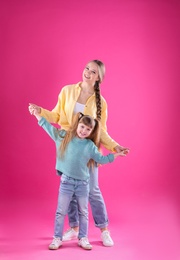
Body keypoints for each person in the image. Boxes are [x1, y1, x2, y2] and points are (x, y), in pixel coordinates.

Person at [28, 59, 129, 247]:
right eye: (87, 69)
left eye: (93, 72)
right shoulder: (67, 91)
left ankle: (104, 229)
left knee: (92, 190)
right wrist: (39, 111)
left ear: (99, 78)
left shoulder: (101, 103)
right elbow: (56, 115)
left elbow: (102, 131)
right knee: (71, 189)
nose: (88, 73)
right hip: (67, 145)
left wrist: (115, 147)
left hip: (87, 149)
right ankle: (74, 229)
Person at [31, 110, 126, 250]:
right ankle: (57, 238)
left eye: (88, 129)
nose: (84, 131)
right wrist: (36, 114)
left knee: (83, 212)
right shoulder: (64, 137)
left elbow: (102, 159)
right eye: (82, 127)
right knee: (61, 211)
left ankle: (83, 238)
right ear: (77, 125)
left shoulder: (90, 146)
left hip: (82, 184)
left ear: (91, 131)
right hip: (66, 182)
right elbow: (48, 127)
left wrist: (116, 154)